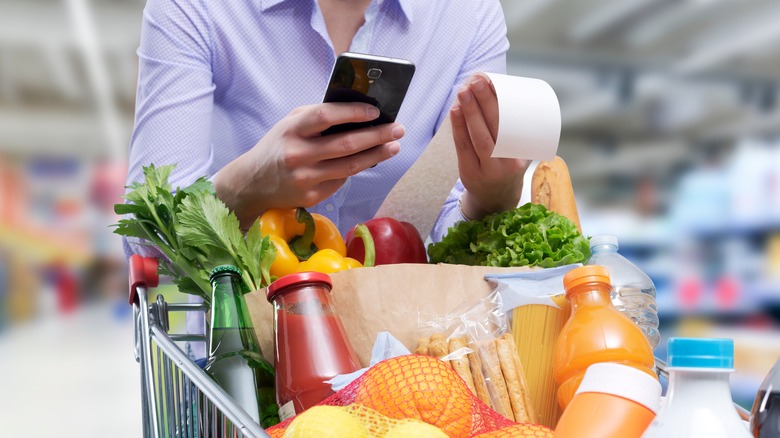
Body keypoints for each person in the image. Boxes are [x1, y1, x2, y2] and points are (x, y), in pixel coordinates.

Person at [126, 0, 531, 358]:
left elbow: (444, 228)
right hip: (243, 351)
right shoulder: (196, 8)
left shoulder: (467, 13)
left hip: (393, 351)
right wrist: (249, 186)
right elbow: (146, 233)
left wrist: (488, 198)